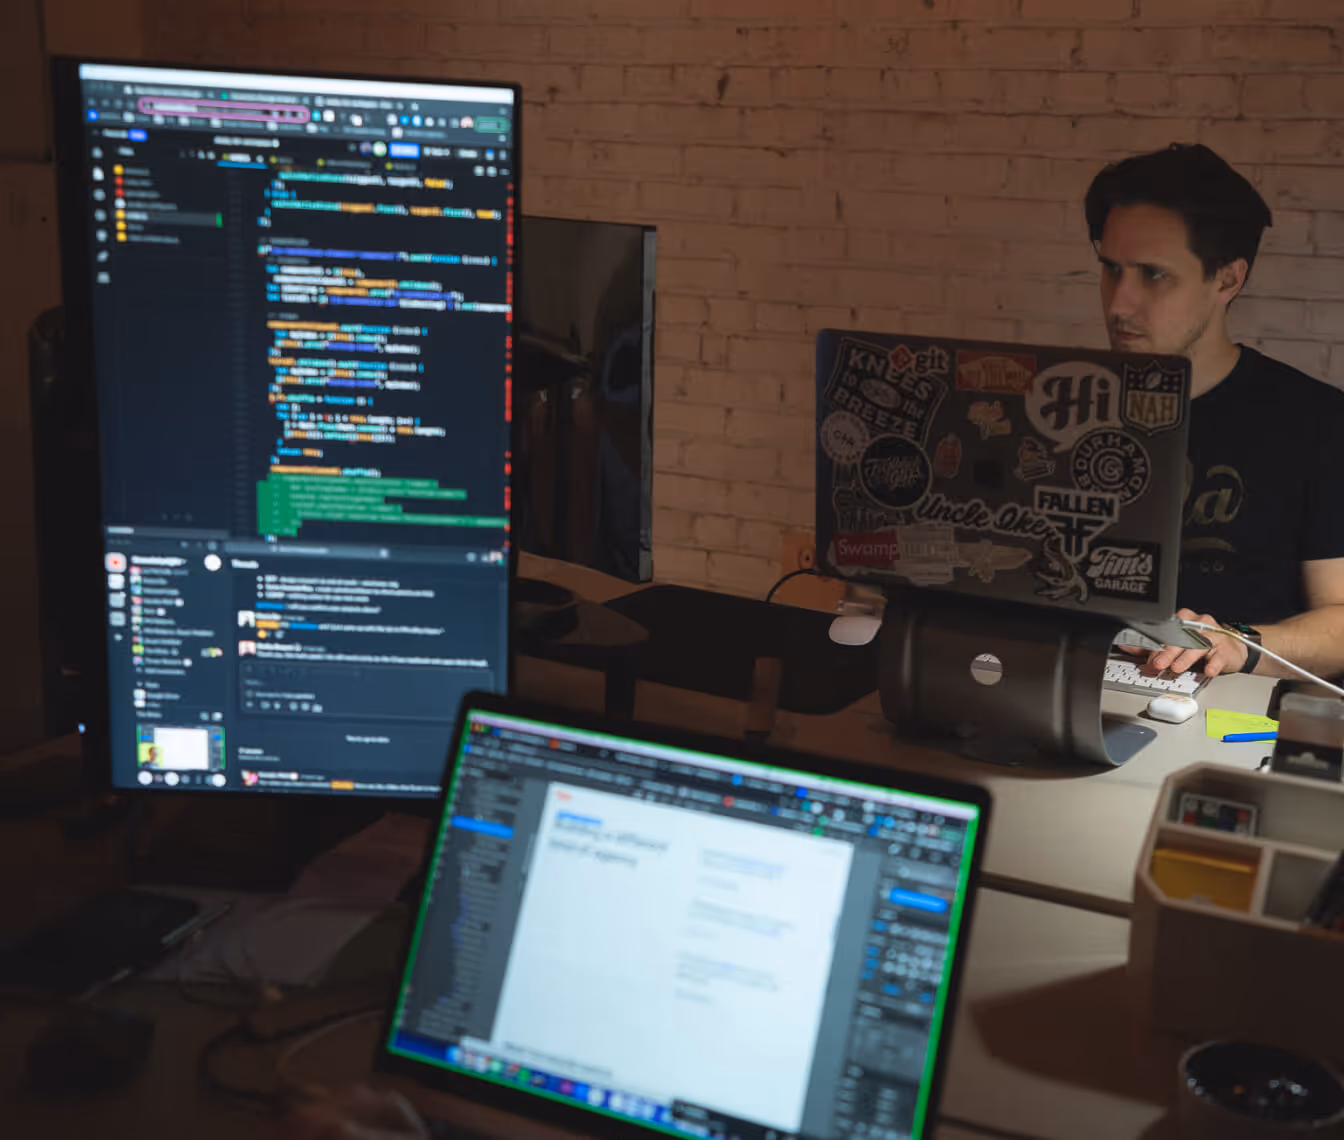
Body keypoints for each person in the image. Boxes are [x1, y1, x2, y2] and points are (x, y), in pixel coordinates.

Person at [1084, 143, 1344, 679]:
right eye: (1111, 269)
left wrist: (1238, 643)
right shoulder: (1060, 407)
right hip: (1056, 688)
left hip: (1219, 716)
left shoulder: (1315, 422)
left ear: (1227, 279)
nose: (1118, 303)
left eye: (1153, 275)